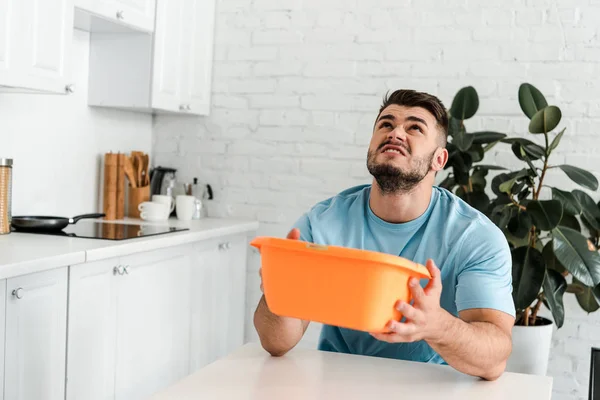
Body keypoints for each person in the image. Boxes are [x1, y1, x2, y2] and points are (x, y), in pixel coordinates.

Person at [253, 89, 515, 381]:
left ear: (439, 159)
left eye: (414, 127)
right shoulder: (324, 222)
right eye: (386, 124)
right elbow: (275, 343)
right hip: (338, 382)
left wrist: (437, 326)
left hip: (431, 386)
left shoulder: (474, 237)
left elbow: (494, 359)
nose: (396, 133)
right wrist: (280, 294)